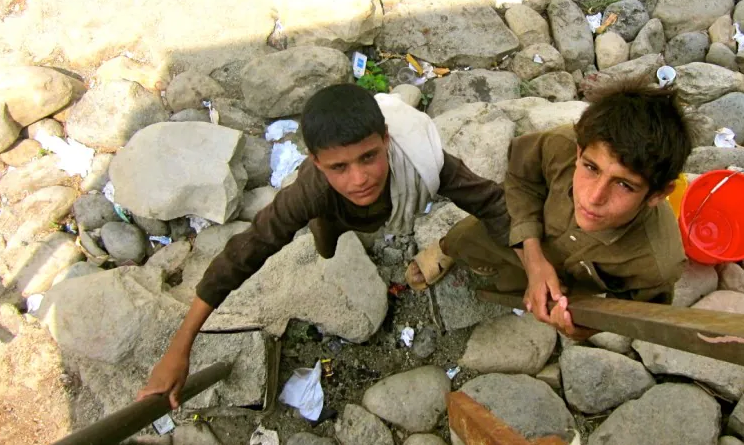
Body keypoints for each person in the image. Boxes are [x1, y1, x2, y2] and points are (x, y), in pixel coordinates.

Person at [139, 83, 509, 407]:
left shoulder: (419, 159)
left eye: (369, 157)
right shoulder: (310, 192)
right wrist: (180, 346)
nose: (359, 178)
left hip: (385, 208)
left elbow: (492, 202)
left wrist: (535, 261)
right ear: (316, 163)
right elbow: (244, 252)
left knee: (359, 226)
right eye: (339, 167)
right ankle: (330, 245)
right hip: (330, 215)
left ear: (386, 140)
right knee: (327, 245)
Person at [424, 76, 692, 339]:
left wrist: (585, 329)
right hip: (519, 229)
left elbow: (634, 315)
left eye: (624, 185)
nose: (593, 197)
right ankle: (447, 249)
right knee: (466, 236)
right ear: (579, 153)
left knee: (515, 288)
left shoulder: (658, 265)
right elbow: (521, 177)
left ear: (658, 194)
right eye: (590, 168)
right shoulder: (561, 144)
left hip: (568, 283)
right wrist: (532, 255)